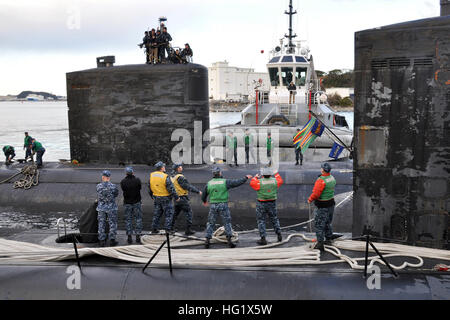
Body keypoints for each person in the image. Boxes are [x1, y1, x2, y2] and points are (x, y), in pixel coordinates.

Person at [201, 167, 252, 249]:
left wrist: (204, 201)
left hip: (213, 205)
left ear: (213, 174)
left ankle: (207, 240)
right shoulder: (225, 182)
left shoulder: (209, 183)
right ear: (220, 173)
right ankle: (229, 240)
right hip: (223, 204)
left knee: (211, 223)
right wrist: (245, 178)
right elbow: (236, 182)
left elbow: (204, 195)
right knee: (227, 222)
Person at [307, 163, 342, 252]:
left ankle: (320, 243)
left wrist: (310, 199)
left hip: (322, 206)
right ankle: (329, 237)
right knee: (327, 222)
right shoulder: (332, 178)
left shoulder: (321, 181)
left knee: (319, 224)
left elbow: (316, 194)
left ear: (322, 170)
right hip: (331, 203)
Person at [250, 167, 284, 245]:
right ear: (270, 174)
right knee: (274, 219)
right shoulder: (275, 181)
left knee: (261, 220)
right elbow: (280, 181)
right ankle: (279, 235)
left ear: (262, 174)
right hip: (272, 203)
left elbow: (252, 183)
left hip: (261, 203)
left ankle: (263, 238)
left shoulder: (259, 182)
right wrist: (276, 174)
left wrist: (255, 177)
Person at [170, 163, 202, 235]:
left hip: (176, 198)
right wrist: (197, 191)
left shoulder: (172, 176)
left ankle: (170, 228)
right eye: (180, 166)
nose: (182, 167)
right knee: (189, 213)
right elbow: (187, 186)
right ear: (178, 168)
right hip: (182, 198)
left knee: (175, 214)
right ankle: (188, 230)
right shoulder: (180, 177)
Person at [149, 161, 179, 233]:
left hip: (156, 197)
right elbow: (171, 189)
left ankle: (154, 229)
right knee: (169, 214)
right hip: (166, 198)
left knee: (157, 214)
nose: (164, 168)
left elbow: (149, 187)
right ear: (162, 168)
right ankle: (168, 230)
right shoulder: (165, 176)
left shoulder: (152, 175)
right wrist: (176, 197)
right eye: (164, 166)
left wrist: (152, 196)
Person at [96, 170, 119, 247]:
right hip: (111, 207)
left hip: (101, 208)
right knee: (112, 223)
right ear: (109, 177)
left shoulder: (98, 186)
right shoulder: (113, 186)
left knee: (101, 223)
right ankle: (112, 240)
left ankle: (102, 240)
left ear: (103, 177)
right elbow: (116, 194)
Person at [120, 166, 143, 244]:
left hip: (127, 203)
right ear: (133, 172)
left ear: (126, 173)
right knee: (138, 219)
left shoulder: (123, 181)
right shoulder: (137, 180)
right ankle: (138, 236)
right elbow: (140, 188)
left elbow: (123, 189)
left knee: (128, 220)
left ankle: (129, 237)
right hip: (137, 202)